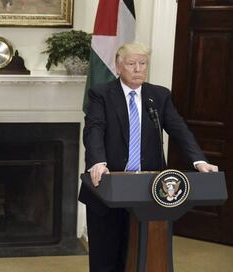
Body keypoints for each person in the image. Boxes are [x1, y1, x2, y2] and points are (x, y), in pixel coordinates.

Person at [78, 43, 218, 272]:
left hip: (149, 191)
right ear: (118, 66)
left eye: (143, 64)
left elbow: (179, 130)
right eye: (131, 64)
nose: (138, 69)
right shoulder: (101, 94)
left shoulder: (158, 96)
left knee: (142, 255)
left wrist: (199, 161)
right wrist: (97, 162)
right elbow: (94, 130)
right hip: (109, 186)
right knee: (106, 257)